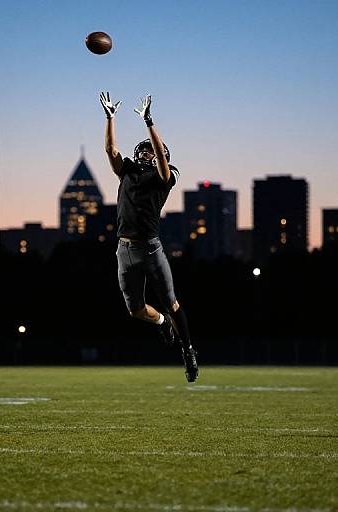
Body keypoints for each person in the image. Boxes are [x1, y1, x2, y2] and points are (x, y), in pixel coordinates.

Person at [99, 91, 199, 382]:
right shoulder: (127, 171)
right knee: (136, 310)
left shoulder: (164, 177)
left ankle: (188, 349)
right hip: (124, 250)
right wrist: (110, 118)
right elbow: (110, 151)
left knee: (172, 300)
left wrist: (149, 122)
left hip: (152, 249)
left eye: (151, 151)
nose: (145, 152)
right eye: (143, 150)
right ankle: (162, 322)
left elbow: (164, 167)